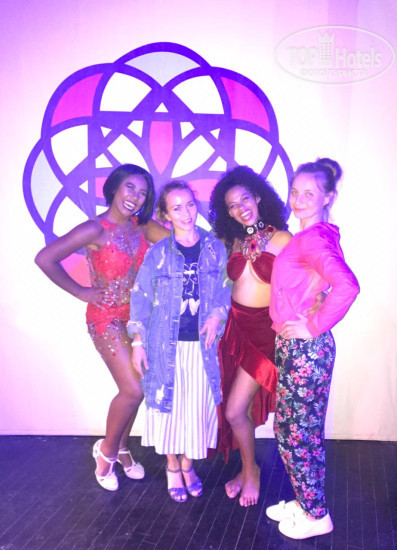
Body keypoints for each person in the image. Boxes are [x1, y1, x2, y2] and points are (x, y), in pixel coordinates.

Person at [35, 164, 169, 491]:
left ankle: (122, 448)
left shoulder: (142, 226)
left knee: (138, 388)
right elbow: (45, 258)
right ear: (114, 188)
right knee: (133, 389)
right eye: (130, 187)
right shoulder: (94, 229)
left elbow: (181, 242)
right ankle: (106, 452)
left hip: (137, 319)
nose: (135, 197)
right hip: (106, 318)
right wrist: (81, 291)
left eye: (142, 193)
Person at [266, 158, 360, 539]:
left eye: (309, 193)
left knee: (294, 434)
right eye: (295, 192)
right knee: (301, 431)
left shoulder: (313, 239)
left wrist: (313, 325)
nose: (299, 199)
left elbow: (347, 286)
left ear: (328, 197)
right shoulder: (311, 235)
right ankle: (308, 502)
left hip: (305, 350)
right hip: (301, 349)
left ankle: (317, 516)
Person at [127, 181, 231, 503]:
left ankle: (188, 465)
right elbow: (141, 297)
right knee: (168, 409)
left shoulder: (215, 248)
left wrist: (217, 313)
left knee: (197, 410)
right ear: (165, 215)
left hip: (202, 347)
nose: (185, 213)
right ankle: (172, 466)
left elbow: (226, 287)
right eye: (176, 208)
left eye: (189, 204)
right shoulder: (158, 253)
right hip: (163, 345)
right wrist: (138, 342)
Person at [209, 166, 292, 507]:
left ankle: (251, 471)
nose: (240, 207)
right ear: (227, 212)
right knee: (234, 409)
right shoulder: (233, 242)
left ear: (258, 197)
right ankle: (246, 469)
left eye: (245, 198)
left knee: (234, 411)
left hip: (265, 334)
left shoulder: (283, 239)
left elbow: (305, 284)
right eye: (232, 205)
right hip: (235, 330)